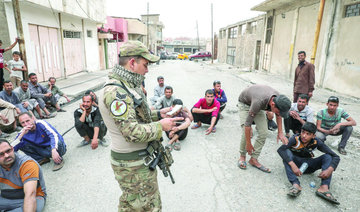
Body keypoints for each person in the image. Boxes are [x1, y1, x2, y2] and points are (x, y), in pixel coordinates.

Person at [98, 40, 182, 211]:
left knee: (132, 204)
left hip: (135, 161)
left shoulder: (126, 85)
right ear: (132, 63)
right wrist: (160, 126)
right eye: (145, 65)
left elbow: (134, 116)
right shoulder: (117, 92)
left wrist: (159, 114)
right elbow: (132, 132)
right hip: (132, 165)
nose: (147, 70)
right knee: (147, 206)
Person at [277, 122, 340, 205]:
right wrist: (292, 165)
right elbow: (280, 150)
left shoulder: (316, 142)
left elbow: (336, 156)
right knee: (287, 153)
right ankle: (295, 184)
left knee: (328, 156)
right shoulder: (295, 139)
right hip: (295, 165)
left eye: (308, 134)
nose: (304, 136)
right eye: (303, 132)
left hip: (308, 165)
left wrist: (330, 169)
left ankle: (324, 188)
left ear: (313, 136)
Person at [237, 84, 291, 173]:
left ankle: (253, 159)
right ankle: (242, 156)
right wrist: (248, 143)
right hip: (245, 104)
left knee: (263, 132)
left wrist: (280, 133)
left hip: (259, 105)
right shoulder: (258, 101)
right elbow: (247, 125)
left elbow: (278, 114)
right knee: (246, 131)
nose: (279, 113)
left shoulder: (279, 99)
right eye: (278, 111)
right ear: (273, 104)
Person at [0, 139, 46, 211]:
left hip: (34, 197)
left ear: (12, 148)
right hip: (7, 198)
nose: (6, 155)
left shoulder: (27, 164)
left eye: (8, 151)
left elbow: (30, 195)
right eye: (1, 154)